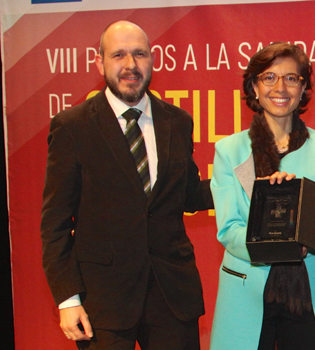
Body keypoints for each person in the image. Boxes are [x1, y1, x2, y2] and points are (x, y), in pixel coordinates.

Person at [40, 20, 212, 349]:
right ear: (99, 62)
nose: (130, 65)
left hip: (172, 297)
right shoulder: (72, 127)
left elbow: (187, 196)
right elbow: (55, 223)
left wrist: (243, 180)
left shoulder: (177, 121)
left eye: (139, 54)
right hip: (102, 303)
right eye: (118, 55)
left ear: (152, 60)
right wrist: (67, 300)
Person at [209, 42, 315, 350]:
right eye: (269, 77)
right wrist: (271, 238)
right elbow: (228, 228)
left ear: (303, 89)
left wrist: (300, 202)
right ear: (254, 88)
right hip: (247, 292)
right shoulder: (229, 151)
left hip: (308, 294)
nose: (280, 87)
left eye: (291, 78)